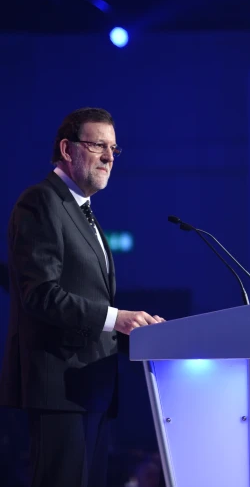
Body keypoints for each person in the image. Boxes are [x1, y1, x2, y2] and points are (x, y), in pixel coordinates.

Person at [0, 107, 164, 487]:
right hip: (60, 389)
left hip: (92, 389)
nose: (109, 157)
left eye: (114, 148)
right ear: (67, 149)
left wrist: (140, 333)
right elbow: (39, 294)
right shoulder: (41, 202)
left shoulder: (84, 213)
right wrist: (115, 318)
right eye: (98, 145)